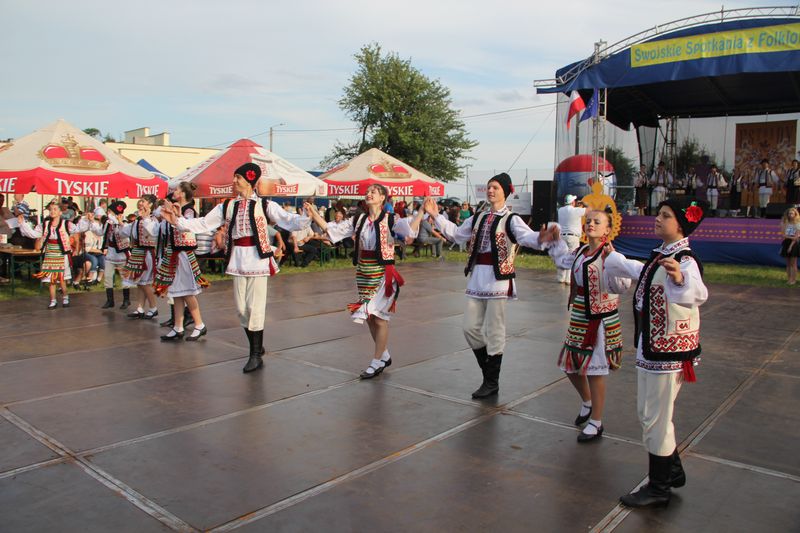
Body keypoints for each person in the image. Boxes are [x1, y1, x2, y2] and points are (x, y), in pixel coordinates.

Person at [603, 197, 709, 509]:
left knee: (656, 418)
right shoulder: (662, 255)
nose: (658, 219)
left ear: (681, 224)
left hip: (668, 352)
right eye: (659, 214)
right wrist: (617, 258)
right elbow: (641, 271)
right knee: (650, 414)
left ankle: (659, 486)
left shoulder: (685, 259)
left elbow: (699, 291)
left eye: (666, 215)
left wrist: (679, 278)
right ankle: (672, 471)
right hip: (654, 349)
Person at [418, 173, 558, 398]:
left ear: (505, 191)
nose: (490, 191)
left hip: (498, 280)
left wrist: (543, 238)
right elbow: (456, 234)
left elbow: (527, 238)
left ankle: (491, 381)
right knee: (469, 327)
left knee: (494, 329)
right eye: (489, 187)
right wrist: (436, 215)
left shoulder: (511, 219)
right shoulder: (478, 217)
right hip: (477, 278)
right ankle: (489, 374)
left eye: (495, 187)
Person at [163, 163, 309, 371]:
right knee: (242, 309)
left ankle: (255, 354)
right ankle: (256, 347)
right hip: (238, 260)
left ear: (250, 180)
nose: (234, 181)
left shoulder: (265, 205)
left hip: (258, 260)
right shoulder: (227, 206)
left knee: (255, 307)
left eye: (238, 178)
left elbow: (289, 220)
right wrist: (177, 221)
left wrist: (306, 216)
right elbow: (204, 223)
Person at [304, 184, 420, 379]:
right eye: (367, 192)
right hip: (363, 272)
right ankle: (383, 355)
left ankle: (376, 362)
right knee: (369, 317)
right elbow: (333, 230)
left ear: (383, 197)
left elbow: (409, 234)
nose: (368, 194)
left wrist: (422, 211)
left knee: (380, 318)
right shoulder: (359, 219)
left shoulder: (391, 219)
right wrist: (314, 213)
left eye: (373, 192)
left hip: (383, 273)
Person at [548, 209, 631, 441]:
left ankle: (597, 421)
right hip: (581, 316)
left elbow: (622, 287)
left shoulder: (611, 256)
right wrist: (553, 241)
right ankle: (587, 402)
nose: (591, 224)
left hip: (601, 320)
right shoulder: (581, 252)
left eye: (597, 222)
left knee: (595, 372)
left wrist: (613, 266)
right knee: (569, 365)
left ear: (607, 229)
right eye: (589, 221)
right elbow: (562, 259)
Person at [147, 182, 208, 342]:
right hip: (174, 252)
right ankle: (178, 326)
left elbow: (186, 228)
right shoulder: (175, 209)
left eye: (177, 190)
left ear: (182, 193)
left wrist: (176, 216)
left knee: (187, 291)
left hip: (183, 253)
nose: (174, 192)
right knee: (177, 292)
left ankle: (199, 324)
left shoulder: (188, 210)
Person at [17, 202, 91, 309]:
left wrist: (86, 219)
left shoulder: (66, 224)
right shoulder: (45, 224)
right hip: (50, 253)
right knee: (50, 278)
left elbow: (78, 229)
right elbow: (33, 234)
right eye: (51, 209)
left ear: (60, 212)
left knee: (61, 278)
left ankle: (65, 297)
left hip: (62, 253)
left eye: (55, 209)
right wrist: (22, 223)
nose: (52, 211)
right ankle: (53, 300)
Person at [120, 195, 159, 319]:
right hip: (137, 252)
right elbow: (127, 232)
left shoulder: (153, 219)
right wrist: (119, 225)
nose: (140, 203)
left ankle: (153, 307)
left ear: (150, 205)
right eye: (140, 201)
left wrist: (145, 218)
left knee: (144, 283)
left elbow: (153, 233)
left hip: (146, 253)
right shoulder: (137, 219)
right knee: (140, 282)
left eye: (143, 201)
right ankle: (140, 308)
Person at [91, 201, 132, 310]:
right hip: (110, 253)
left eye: (110, 211)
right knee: (108, 277)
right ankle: (110, 300)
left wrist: (118, 223)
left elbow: (125, 234)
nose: (108, 213)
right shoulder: (108, 223)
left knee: (124, 277)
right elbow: (100, 232)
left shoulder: (124, 223)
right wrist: (92, 222)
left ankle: (126, 300)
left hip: (122, 253)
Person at [555, 194, 586, 284]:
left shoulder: (560, 210)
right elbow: (589, 210)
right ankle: (568, 279)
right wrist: (584, 204)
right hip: (573, 237)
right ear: (573, 202)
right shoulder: (576, 210)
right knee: (572, 257)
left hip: (562, 236)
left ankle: (561, 277)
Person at [780, 207, 800, 285]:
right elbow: (783, 235)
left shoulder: (798, 224)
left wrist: (791, 246)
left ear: (795, 214)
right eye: (789, 213)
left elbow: (796, 237)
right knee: (788, 263)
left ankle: (793, 280)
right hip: (786, 242)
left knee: (793, 263)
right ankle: (789, 279)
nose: (790, 214)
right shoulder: (787, 223)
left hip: (794, 243)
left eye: (792, 213)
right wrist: (783, 224)